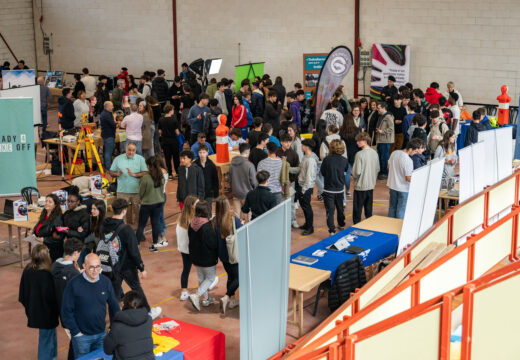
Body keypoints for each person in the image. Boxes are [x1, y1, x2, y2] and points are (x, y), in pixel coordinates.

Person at [104, 199, 161, 317]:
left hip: (112, 265)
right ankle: (148, 312)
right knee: (136, 288)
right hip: (127, 266)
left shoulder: (104, 226)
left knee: (114, 295)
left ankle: (114, 322)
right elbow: (134, 252)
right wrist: (141, 267)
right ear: (124, 211)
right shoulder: (126, 230)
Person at [61, 253, 120, 358]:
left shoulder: (105, 282)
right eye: (91, 267)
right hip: (82, 337)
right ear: (84, 266)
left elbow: (114, 306)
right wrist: (76, 333)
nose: (95, 271)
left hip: (101, 334)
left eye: (98, 267)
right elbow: (66, 311)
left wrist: (115, 327)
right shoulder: (74, 284)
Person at [19, 245, 59, 360]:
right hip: (47, 314)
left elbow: (22, 293)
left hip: (35, 311)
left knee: (50, 336)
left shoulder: (27, 269)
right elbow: (52, 297)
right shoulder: (48, 274)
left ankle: (53, 357)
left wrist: (30, 307)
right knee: (46, 340)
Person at [52, 238, 84, 360]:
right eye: (79, 253)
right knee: (79, 345)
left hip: (61, 312)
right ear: (75, 253)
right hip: (73, 316)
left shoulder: (55, 265)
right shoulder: (73, 274)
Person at [212, 196, 242, 314]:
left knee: (231, 276)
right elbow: (240, 232)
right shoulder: (233, 219)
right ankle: (227, 296)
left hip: (223, 254)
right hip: (233, 253)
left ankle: (233, 300)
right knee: (239, 278)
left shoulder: (214, 221)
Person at [103, 290, 154, 360]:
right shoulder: (149, 320)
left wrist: (110, 335)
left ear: (124, 304)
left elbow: (107, 350)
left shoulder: (117, 327)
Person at [188, 201, 219, 311]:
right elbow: (212, 243)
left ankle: (205, 299)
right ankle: (196, 295)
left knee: (201, 278)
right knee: (210, 278)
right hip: (207, 258)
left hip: (195, 257)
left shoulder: (191, 223)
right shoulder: (207, 226)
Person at [109, 142, 148, 225]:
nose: (131, 152)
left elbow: (145, 172)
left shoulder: (140, 159)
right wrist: (116, 174)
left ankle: (139, 231)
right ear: (125, 149)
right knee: (121, 213)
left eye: (133, 150)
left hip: (137, 191)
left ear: (135, 150)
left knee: (138, 212)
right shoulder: (118, 159)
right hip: (122, 191)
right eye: (129, 150)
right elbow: (111, 171)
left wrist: (135, 175)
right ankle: (122, 230)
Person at [135, 156, 166, 250]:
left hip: (147, 204)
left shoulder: (145, 178)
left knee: (141, 224)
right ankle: (155, 242)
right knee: (155, 223)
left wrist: (140, 198)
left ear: (148, 166)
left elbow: (141, 191)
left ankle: (137, 243)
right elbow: (162, 190)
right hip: (159, 203)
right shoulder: (161, 176)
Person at [387, 138, 423, 219]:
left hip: (392, 185)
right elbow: (408, 178)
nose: (415, 154)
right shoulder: (408, 160)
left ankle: (389, 226)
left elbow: (389, 166)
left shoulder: (394, 153)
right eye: (415, 151)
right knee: (401, 209)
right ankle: (399, 228)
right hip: (403, 188)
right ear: (410, 149)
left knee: (392, 207)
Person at [321, 139, 349, 235]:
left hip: (328, 189)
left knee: (330, 211)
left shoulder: (326, 160)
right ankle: (341, 224)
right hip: (340, 189)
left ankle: (332, 230)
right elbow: (345, 171)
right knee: (340, 209)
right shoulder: (344, 160)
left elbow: (323, 172)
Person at [351, 132, 379, 224]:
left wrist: (353, 174)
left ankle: (356, 226)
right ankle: (369, 225)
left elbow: (356, 172)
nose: (357, 143)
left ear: (365, 141)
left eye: (359, 141)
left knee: (357, 209)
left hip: (360, 185)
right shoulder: (374, 153)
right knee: (368, 208)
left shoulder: (359, 154)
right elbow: (377, 168)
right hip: (371, 185)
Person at [175, 195, 198, 301]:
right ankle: (206, 286)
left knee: (186, 269)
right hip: (193, 249)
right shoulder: (193, 220)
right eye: (197, 203)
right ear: (192, 206)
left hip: (184, 249)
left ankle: (184, 291)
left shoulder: (180, 219)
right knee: (202, 269)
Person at [32, 194, 64, 262]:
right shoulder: (44, 214)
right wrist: (33, 232)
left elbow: (60, 237)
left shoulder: (58, 219)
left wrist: (44, 240)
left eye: (50, 202)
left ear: (55, 205)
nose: (47, 203)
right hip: (41, 246)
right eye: (46, 201)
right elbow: (38, 227)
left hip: (51, 251)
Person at [229, 143, 258, 218]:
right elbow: (254, 182)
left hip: (235, 192)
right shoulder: (250, 165)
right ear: (247, 152)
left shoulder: (232, 164)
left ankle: (237, 229)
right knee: (248, 215)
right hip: (247, 194)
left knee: (236, 215)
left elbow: (230, 179)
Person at [298, 139, 319, 235]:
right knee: (304, 206)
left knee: (307, 207)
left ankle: (310, 228)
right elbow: (300, 169)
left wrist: (303, 190)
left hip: (306, 187)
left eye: (302, 145)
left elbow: (309, 177)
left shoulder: (310, 160)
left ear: (306, 147)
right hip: (302, 185)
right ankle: (307, 224)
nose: (301, 147)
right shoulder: (305, 157)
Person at [339, 111, 361, 198]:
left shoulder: (341, 131)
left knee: (347, 173)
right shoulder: (357, 130)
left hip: (345, 155)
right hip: (355, 154)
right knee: (357, 172)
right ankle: (357, 189)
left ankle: (347, 190)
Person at [158, 104, 180, 179]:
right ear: (170, 110)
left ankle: (169, 174)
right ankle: (177, 172)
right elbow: (177, 132)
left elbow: (160, 131)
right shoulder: (174, 120)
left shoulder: (161, 119)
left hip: (165, 141)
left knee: (167, 158)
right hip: (174, 141)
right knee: (176, 157)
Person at [195, 144, 219, 210]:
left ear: (207, 153)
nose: (202, 154)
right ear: (198, 153)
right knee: (199, 210)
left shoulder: (211, 165)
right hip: (198, 193)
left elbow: (215, 180)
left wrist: (216, 194)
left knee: (208, 210)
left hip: (208, 192)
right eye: (200, 152)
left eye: (204, 152)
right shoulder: (195, 165)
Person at [375, 101, 395, 180]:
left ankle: (385, 173)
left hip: (386, 140)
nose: (377, 109)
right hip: (380, 139)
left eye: (379, 108)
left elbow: (391, 129)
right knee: (380, 156)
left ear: (383, 108)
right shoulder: (381, 116)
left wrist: (381, 131)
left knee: (384, 157)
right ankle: (381, 171)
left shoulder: (388, 117)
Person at [100, 101, 117, 170]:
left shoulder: (105, 113)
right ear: (108, 107)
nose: (113, 107)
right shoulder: (107, 115)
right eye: (112, 106)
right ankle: (108, 168)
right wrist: (114, 118)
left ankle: (106, 165)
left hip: (106, 134)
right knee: (108, 152)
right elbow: (113, 124)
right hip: (109, 135)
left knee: (107, 151)